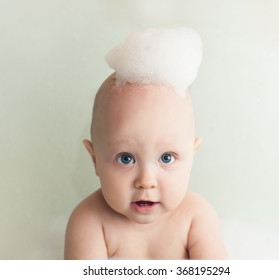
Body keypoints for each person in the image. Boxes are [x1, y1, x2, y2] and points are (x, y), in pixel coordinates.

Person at [64, 27, 227, 259]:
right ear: (95, 160)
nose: (146, 181)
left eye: (167, 158)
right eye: (126, 158)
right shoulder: (90, 221)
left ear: (192, 156)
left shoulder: (196, 218)